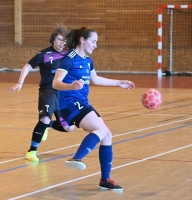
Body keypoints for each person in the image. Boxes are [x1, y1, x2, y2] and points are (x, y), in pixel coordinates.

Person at [52, 27, 135, 191]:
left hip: (81, 102)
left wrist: (118, 82)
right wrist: (71, 85)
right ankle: (77, 158)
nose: (95, 45)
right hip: (68, 102)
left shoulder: (87, 60)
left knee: (107, 134)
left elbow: (95, 79)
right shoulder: (69, 59)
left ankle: (105, 179)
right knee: (101, 130)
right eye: (93, 41)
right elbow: (55, 83)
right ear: (82, 40)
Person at [10, 23, 74, 162]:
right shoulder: (44, 54)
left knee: (69, 127)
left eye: (64, 40)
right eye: (59, 39)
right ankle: (32, 151)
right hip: (48, 90)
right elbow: (28, 65)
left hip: (63, 93)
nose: (62, 43)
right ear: (53, 40)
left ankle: (49, 125)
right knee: (44, 118)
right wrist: (20, 82)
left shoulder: (69, 53)